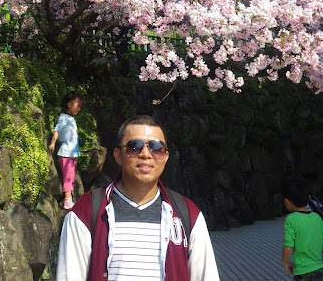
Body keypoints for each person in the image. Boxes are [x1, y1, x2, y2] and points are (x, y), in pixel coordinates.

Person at [56, 115, 220, 281]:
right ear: (118, 155)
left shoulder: (188, 214)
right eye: (134, 147)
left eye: (156, 147)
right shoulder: (86, 212)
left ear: (165, 157)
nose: (146, 154)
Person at [282, 180, 323, 280]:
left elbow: (288, 246)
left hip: (303, 274)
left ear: (287, 202)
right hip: (321, 273)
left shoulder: (291, 219)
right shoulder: (316, 217)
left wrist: (285, 263)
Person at [49, 90, 84, 210]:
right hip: (66, 153)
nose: (79, 108)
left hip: (72, 153)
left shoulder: (70, 118)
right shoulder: (63, 117)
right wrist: (53, 143)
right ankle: (67, 201)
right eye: (77, 105)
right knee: (68, 177)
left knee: (71, 176)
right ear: (70, 104)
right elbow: (57, 130)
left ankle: (69, 198)